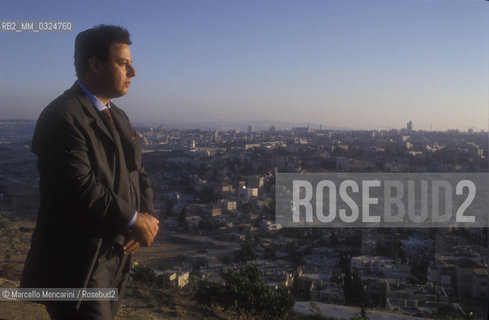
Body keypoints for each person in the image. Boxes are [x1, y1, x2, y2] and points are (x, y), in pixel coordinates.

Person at [20, 25, 160, 320]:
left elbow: (138, 172)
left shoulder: (118, 116)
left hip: (114, 257)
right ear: (95, 65)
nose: (133, 72)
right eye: (123, 63)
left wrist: (144, 215)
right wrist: (134, 219)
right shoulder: (62, 117)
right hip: (77, 264)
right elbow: (80, 189)